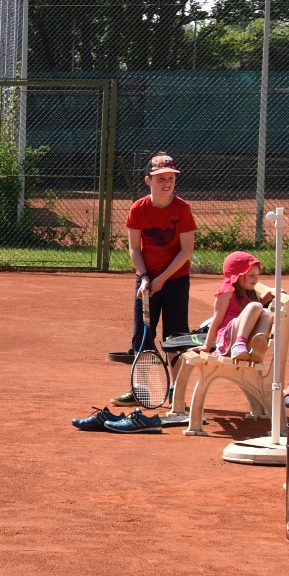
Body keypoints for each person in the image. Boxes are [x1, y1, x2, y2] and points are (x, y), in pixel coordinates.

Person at [109, 152, 196, 396]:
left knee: (176, 336)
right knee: (142, 335)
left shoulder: (182, 209)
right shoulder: (138, 208)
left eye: (171, 178)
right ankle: (140, 389)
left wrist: (162, 279)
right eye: (160, 179)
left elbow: (186, 250)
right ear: (148, 180)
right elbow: (134, 248)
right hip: (146, 280)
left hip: (176, 280)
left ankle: (176, 392)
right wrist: (145, 276)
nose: (166, 183)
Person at [206, 250, 274, 360]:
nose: (256, 279)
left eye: (257, 275)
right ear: (237, 276)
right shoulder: (228, 290)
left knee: (266, 313)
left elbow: (259, 303)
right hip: (228, 338)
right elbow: (217, 320)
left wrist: (271, 293)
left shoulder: (250, 291)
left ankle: (255, 351)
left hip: (245, 338)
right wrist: (207, 346)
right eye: (251, 275)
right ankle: (239, 344)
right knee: (255, 306)